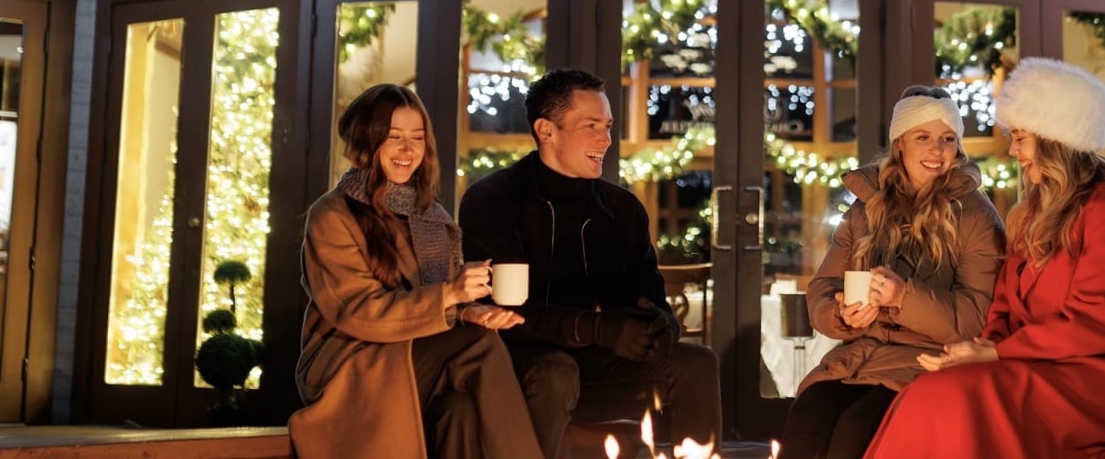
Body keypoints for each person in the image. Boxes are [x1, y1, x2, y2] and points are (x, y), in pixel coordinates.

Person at [863, 58, 1105, 458]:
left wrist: (995, 354)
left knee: (960, 398)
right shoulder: (1029, 217)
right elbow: (1005, 307)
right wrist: (977, 351)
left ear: (1054, 141)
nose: (1012, 150)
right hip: (1029, 367)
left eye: (1020, 138)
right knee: (930, 392)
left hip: (1101, 379)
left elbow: (1096, 325)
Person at [458, 69, 721, 458]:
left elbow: (650, 295)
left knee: (696, 363)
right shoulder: (493, 200)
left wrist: (660, 325)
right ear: (546, 131)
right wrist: (597, 328)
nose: (606, 139)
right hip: (514, 359)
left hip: (596, 358)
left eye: (609, 126)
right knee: (555, 372)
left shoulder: (621, 209)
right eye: (591, 126)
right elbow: (502, 317)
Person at [290, 84, 541, 459]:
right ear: (365, 143)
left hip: (413, 354)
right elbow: (358, 311)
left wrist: (468, 310)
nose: (409, 150)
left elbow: (433, 306)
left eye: (417, 138)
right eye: (394, 138)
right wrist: (451, 296)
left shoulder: (431, 218)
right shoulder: (331, 216)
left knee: (460, 411)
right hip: (351, 364)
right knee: (480, 346)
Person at [778, 86, 1005, 459]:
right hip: (863, 356)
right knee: (808, 416)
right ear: (900, 143)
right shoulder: (866, 207)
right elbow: (824, 287)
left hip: (932, 363)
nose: (937, 150)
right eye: (923, 138)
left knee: (857, 430)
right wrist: (840, 313)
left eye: (948, 139)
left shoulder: (975, 216)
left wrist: (904, 298)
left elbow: (978, 319)